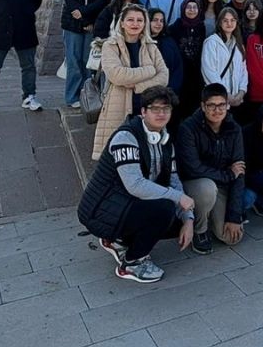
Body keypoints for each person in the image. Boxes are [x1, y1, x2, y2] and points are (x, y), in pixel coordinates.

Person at [76, 86, 195, 284]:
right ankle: (131, 263)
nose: (161, 113)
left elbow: (174, 179)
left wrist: (188, 219)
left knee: (176, 219)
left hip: (124, 205)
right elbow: (135, 185)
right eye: (155, 109)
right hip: (99, 211)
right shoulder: (126, 137)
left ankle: (117, 240)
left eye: (166, 109)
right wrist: (178, 198)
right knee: (165, 209)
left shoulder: (165, 140)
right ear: (143, 112)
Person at [93, 4, 170, 160]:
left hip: (146, 106)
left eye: (139, 20)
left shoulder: (150, 47)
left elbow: (164, 76)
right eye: (130, 20)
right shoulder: (110, 46)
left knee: (146, 154)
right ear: (122, 23)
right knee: (118, 154)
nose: (135, 24)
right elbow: (117, 75)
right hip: (119, 105)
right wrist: (149, 70)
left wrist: (137, 85)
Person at [176, 84, 247, 253]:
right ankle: (200, 229)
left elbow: (240, 172)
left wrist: (234, 216)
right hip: (196, 184)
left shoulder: (234, 129)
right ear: (202, 106)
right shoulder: (188, 128)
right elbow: (193, 168)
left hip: (221, 182)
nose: (217, 110)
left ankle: (214, 216)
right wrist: (228, 174)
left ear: (228, 105)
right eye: (211, 105)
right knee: (207, 188)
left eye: (221, 105)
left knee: (231, 237)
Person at [61, 0, 108, 109]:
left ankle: (87, 95)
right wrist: (83, 21)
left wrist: (88, 20)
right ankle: (72, 96)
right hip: (73, 27)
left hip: (90, 27)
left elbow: (100, 4)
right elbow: (71, 3)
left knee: (88, 63)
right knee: (73, 61)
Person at [168, 0, 207, 127]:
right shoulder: (175, 27)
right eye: (188, 7)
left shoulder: (202, 27)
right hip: (180, 74)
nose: (191, 10)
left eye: (194, 7)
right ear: (183, 9)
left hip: (197, 76)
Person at [201, 7, 248, 110]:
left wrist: (241, 92)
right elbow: (209, 71)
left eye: (232, 20)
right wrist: (226, 95)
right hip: (217, 100)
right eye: (225, 20)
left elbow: (244, 71)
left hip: (237, 99)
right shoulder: (211, 42)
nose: (229, 23)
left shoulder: (239, 45)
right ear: (220, 22)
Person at [147, 9, 184, 98]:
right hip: (145, 93)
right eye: (155, 20)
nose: (159, 24)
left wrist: (170, 91)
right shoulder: (140, 42)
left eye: (161, 21)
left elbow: (178, 67)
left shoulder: (169, 42)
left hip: (167, 93)